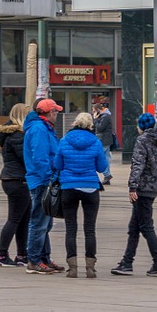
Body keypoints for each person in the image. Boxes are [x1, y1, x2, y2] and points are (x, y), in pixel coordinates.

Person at [52, 110, 109, 278]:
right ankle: (90, 268)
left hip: (68, 187)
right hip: (90, 188)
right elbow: (101, 167)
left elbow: (58, 164)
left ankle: (72, 268)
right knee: (89, 229)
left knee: (71, 229)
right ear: (90, 125)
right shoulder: (96, 142)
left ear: (75, 123)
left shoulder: (64, 141)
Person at [111, 111, 157, 276]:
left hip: (142, 188)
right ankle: (127, 262)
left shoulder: (142, 140)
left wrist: (132, 186)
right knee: (134, 227)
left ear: (141, 126)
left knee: (146, 226)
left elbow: (138, 164)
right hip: (153, 186)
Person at [23, 97, 65, 275]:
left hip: (43, 179)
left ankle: (44, 258)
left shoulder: (44, 128)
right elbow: (40, 158)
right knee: (39, 221)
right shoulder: (40, 129)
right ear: (48, 113)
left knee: (45, 222)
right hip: (42, 181)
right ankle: (34, 260)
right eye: (55, 111)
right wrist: (49, 178)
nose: (57, 114)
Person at [0, 102, 31, 268]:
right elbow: (26, 159)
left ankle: (22, 254)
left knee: (23, 219)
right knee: (15, 219)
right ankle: (1, 254)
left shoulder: (10, 134)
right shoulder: (18, 136)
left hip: (13, 179)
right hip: (18, 180)